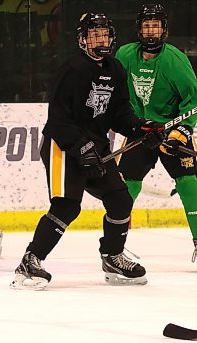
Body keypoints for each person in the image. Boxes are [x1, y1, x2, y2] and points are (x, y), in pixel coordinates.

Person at [10, 13, 166, 290]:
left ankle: (112, 256)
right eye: (94, 35)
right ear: (82, 40)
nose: (100, 39)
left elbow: (120, 114)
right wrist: (81, 147)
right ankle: (31, 259)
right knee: (67, 206)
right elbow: (57, 120)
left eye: (104, 34)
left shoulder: (116, 69)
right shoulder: (73, 70)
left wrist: (143, 128)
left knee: (120, 199)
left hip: (95, 147)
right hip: (63, 147)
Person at [115, 4, 197, 262]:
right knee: (125, 186)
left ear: (164, 29)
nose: (151, 31)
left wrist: (180, 131)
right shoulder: (126, 54)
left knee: (190, 184)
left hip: (171, 130)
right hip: (141, 130)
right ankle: (115, 249)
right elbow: (114, 89)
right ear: (139, 29)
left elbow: (192, 99)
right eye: (147, 25)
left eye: (156, 26)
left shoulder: (174, 60)